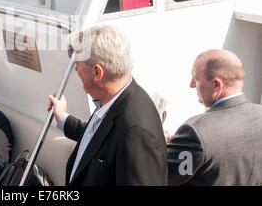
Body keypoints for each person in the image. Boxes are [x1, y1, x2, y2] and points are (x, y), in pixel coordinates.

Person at [48, 25, 167, 186]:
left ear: (97, 72)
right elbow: (100, 139)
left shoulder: (136, 131)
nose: (75, 70)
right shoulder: (113, 100)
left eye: (78, 65)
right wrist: (62, 117)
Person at [166, 49, 262, 186]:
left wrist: (158, 145)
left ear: (217, 85)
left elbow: (164, 176)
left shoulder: (195, 132)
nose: (192, 84)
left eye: (196, 78)